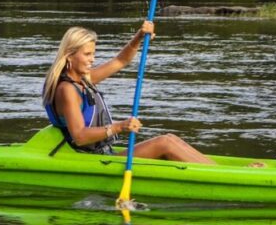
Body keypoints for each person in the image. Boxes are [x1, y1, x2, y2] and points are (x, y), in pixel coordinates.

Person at [43, 22, 245, 165]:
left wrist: (139, 37)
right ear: (69, 56)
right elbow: (79, 136)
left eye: (93, 53)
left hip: (104, 155)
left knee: (171, 138)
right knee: (164, 143)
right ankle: (230, 177)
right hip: (90, 161)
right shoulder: (67, 90)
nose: (92, 59)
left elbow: (120, 61)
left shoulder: (83, 80)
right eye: (87, 54)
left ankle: (222, 170)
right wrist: (119, 127)